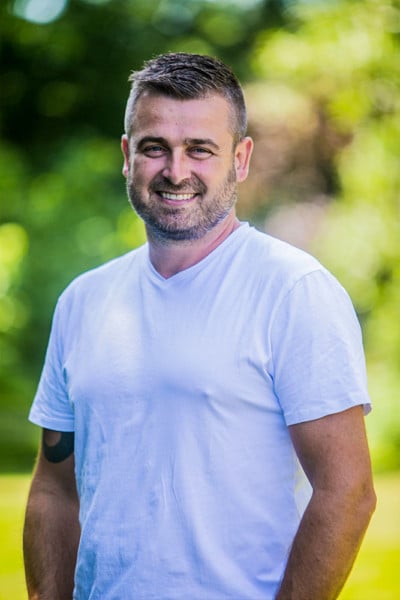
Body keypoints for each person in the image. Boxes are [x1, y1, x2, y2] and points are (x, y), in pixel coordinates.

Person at [23, 52, 376, 600]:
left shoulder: (292, 290)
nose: (176, 171)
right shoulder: (84, 301)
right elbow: (54, 490)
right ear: (127, 156)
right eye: (154, 147)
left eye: (200, 150)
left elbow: (347, 492)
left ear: (241, 158)